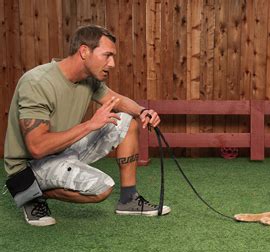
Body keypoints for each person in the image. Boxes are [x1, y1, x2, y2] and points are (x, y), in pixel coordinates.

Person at [4, 25, 170, 226]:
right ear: (84, 51)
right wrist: (90, 125)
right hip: (30, 165)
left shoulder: (89, 79)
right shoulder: (37, 83)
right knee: (102, 188)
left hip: (62, 151)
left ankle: (128, 199)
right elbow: (37, 147)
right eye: (107, 55)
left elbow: (116, 100)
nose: (113, 63)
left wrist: (142, 111)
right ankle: (28, 193)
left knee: (126, 120)